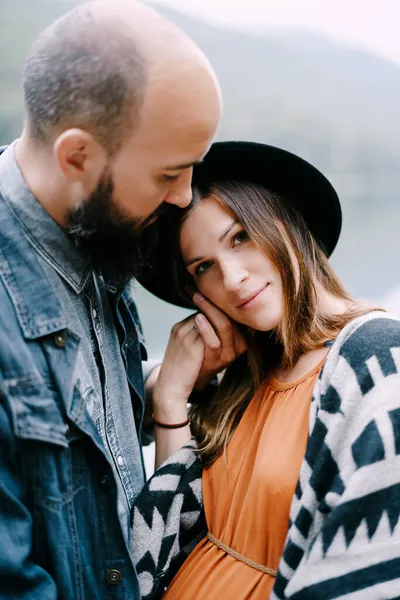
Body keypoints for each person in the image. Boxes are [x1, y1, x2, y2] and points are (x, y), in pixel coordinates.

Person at [0, 2, 244, 598]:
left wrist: (172, 382)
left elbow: (73, 431)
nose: (186, 198)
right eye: (168, 174)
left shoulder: (95, 232)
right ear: (77, 157)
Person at [133, 141, 400, 599]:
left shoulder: (375, 365)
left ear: (287, 224)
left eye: (240, 237)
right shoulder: (244, 380)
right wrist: (172, 400)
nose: (232, 278)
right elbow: (164, 546)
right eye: (204, 267)